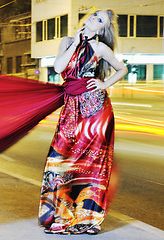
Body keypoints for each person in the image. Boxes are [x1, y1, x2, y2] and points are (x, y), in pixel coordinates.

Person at [38, 9, 127, 235]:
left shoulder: (100, 48)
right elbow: (59, 68)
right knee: (61, 161)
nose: (94, 18)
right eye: (95, 14)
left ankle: (88, 220)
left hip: (96, 110)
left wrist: (105, 85)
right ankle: (59, 216)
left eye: (100, 20)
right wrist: (75, 41)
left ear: (102, 29)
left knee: (93, 164)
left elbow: (122, 68)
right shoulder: (68, 41)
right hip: (71, 109)